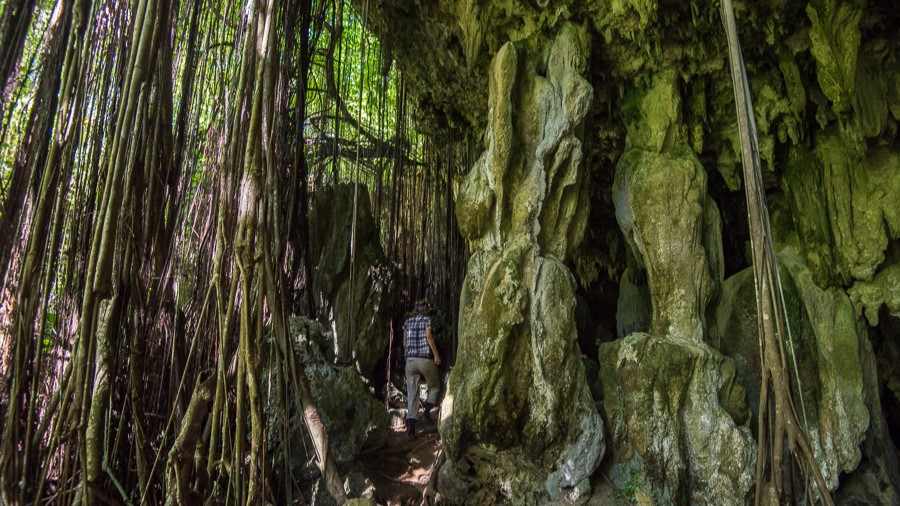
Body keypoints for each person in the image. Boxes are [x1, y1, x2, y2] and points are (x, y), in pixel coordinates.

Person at [403, 299, 441, 437]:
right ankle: (427, 411)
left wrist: (407, 357)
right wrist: (436, 355)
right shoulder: (427, 320)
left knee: (412, 394)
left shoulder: (407, 322)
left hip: (410, 360)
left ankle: (411, 429)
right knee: (435, 386)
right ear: (425, 309)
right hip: (425, 359)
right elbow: (429, 337)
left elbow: (405, 342)